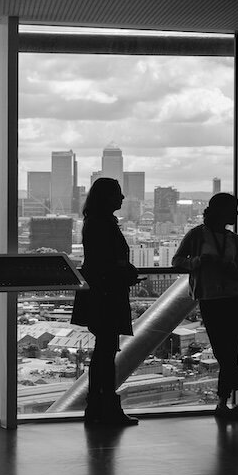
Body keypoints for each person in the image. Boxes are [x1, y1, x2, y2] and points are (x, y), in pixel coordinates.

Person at [172, 193, 238, 418]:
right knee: (224, 352)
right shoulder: (197, 235)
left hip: (230, 299)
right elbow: (177, 261)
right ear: (221, 211)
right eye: (233, 210)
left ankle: (223, 402)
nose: (237, 214)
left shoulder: (234, 240)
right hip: (218, 299)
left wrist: (223, 265)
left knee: (227, 353)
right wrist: (198, 262)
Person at [70, 177, 141, 427]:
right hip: (107, 294)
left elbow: (99, 261)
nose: (122, 198)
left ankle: (98, 406)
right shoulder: (103, 224)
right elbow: (107, 261)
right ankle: (105, 406)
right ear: (106, 198)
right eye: (117, 194)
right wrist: (125, 271)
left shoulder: (94, 222)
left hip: (100, 293)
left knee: (103, 352)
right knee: (106, 353)